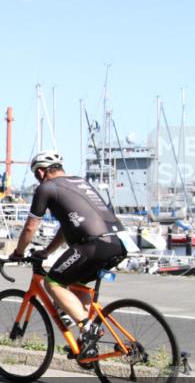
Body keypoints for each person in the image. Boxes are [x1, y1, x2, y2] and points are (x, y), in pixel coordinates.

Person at [11, 151, 134, 355]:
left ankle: (88, 328)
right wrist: (47, 251)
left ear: (41, 172)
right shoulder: (80, 182)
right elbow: (66, 227)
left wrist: (18, 252)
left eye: (36, 175)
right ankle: (87, 344)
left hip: (93, 244)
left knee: (53, 282)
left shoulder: (46, 188)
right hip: (118, 243)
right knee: (77, 286)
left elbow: (30, 227)